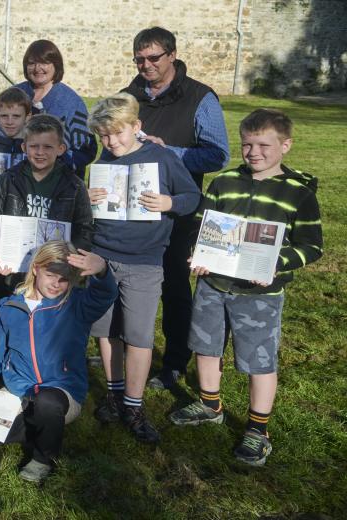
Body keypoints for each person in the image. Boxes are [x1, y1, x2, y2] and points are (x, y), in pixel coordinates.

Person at [169, 109, 322, 466]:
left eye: (264, 145)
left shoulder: (298, 194)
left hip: (259, 294)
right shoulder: (224, 182)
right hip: (213, 283)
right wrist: (198, 251)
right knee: (205, 347)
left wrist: (276, 264)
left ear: (286, 145)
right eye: (247, 144)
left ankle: (258, 428)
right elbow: (199, 224)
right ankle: (210, 404)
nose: (254, 152)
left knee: (259, 360)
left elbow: (312, 245)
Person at [120, 27, 232, 390]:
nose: (146, 65)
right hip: (131, 210)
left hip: (176, 209)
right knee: (124, 281)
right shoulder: (129, 95)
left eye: (153, 58)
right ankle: (127, 350)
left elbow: (217, 154)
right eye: (140, 59)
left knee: (174, 286)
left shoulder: (200, 97)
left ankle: (174, 361)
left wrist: (169, 152)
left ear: (172, 55)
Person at [85, 93, 200, 444]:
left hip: (144, 261)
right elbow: (84, 212)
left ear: (137, 127)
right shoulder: (103, 161)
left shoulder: (161, 157)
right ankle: (114, 392)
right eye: (104, 136)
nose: (111, 142)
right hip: (101, 257)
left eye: (118, 133)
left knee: (138, 335)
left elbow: (192, 197)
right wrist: (86, 199)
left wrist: (169, 202)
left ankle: (134, 404)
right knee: (106, 331)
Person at [0, 241, 116, 483]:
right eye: (51, 274)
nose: (57, 283)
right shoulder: (10, 307)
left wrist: (103, 270)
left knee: (47, 402)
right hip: (18, 391)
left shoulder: (77, 304)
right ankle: (42, 428)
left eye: (64, 278)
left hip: (61, 394)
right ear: (35, 269)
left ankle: (43, 457)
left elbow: (106, 294)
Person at [0, 115, 94, 311]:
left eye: (48, 147)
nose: (40, 152)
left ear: (60, 149)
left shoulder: (74, 185)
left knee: (48, 325)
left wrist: (68, 261)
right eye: (34, 146)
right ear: (24, 147)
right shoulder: (9, 179)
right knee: (11, 316)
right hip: (14, 271)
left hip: (53, 273)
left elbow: (84, 228)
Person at [0, 40, 96, 172]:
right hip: (6, 172)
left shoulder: (72, 102)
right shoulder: (14, 93)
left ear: (56, 65)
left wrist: (60, 165)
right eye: (32, 63)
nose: (38, 68)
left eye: (44, 62)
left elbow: (86, 149)